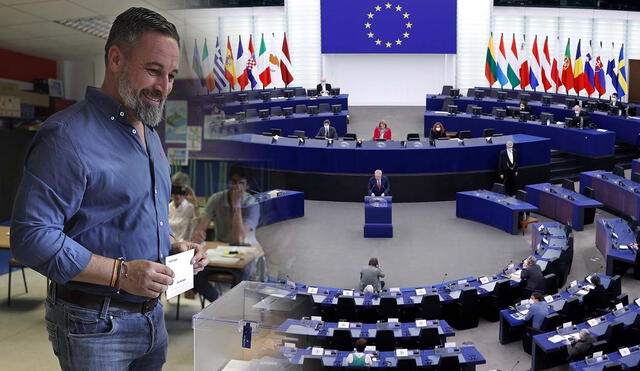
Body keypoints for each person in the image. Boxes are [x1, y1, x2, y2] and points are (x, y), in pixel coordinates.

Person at [9, 7, 208, 370]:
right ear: (116, 59)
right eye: (153, 70)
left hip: (152, 318)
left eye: (171, 75)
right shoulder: (67, 136)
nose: (163, 86)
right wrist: (122, 274)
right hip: (94, 325)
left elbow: (130, 216)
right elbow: (31, 236)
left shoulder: (148, 134)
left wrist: (174, 248)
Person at [190, 165, 260, 302]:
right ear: (229, 182)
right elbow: (201, 227)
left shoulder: (252, 203)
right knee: (193, 272)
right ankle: (219, 301)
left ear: (247, 185)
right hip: (219, 251)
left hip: (244, 252)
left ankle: (232, 306)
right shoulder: (216, 199)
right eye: (234, 181)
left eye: (242, 183)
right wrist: (198, 233)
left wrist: (236, 205)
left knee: (244, 276)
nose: (237, 186)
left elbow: (239, 238)